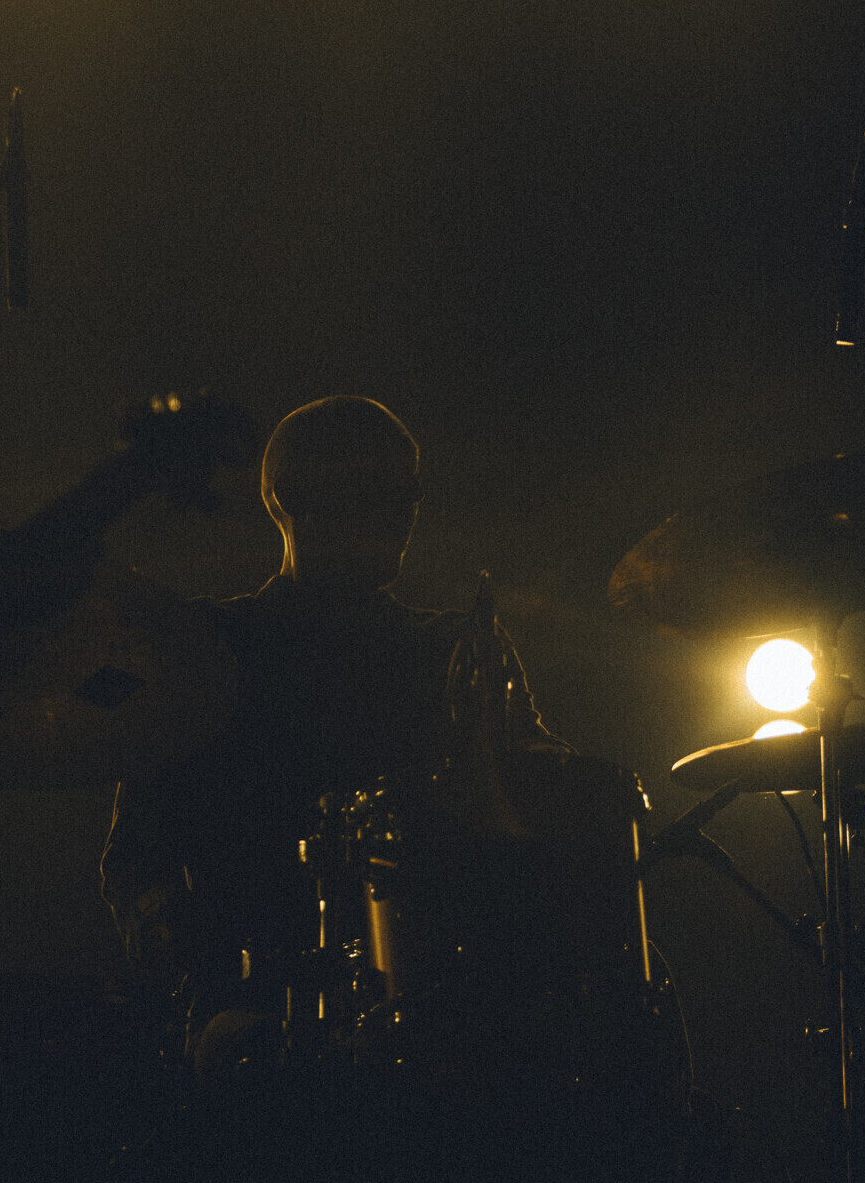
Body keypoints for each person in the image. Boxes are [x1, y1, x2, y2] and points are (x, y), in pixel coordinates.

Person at [98, 392, 622, 1073]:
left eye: (410, 489)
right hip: (260, 1019)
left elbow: (548, 795)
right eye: (378, 484)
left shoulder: (454, 650)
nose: (407, 506)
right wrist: (190, 969)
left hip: (447, 1016)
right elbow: (138, 861)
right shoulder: (205, 651)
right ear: (291, 497)